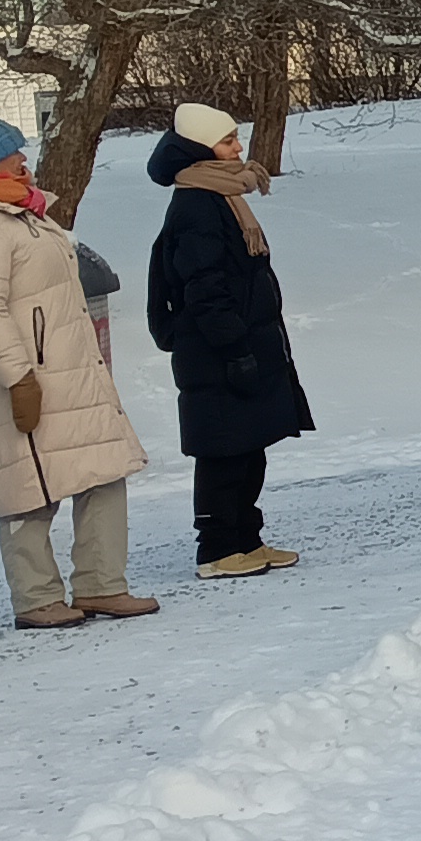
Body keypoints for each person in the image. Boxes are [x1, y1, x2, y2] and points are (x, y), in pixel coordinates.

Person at [0, 115, 159, 630]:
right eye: (13, 157)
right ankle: (36, 597)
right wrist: (18, 377)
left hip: (70, 373)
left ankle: (102, 584)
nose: (25, 164)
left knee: (102, 472)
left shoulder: (22, 215)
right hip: (27, 377)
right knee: (28, 488)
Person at [144, 101, 309, 579]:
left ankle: (246, 540)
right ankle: (217, 548)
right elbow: (205, 288)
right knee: (223, 453)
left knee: (247, 447)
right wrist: (235, 348)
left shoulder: (219, 195)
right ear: (200, 149)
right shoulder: (198, 202)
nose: (239, 149)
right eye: (228, 141)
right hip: (216, 352)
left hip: (239, 344)